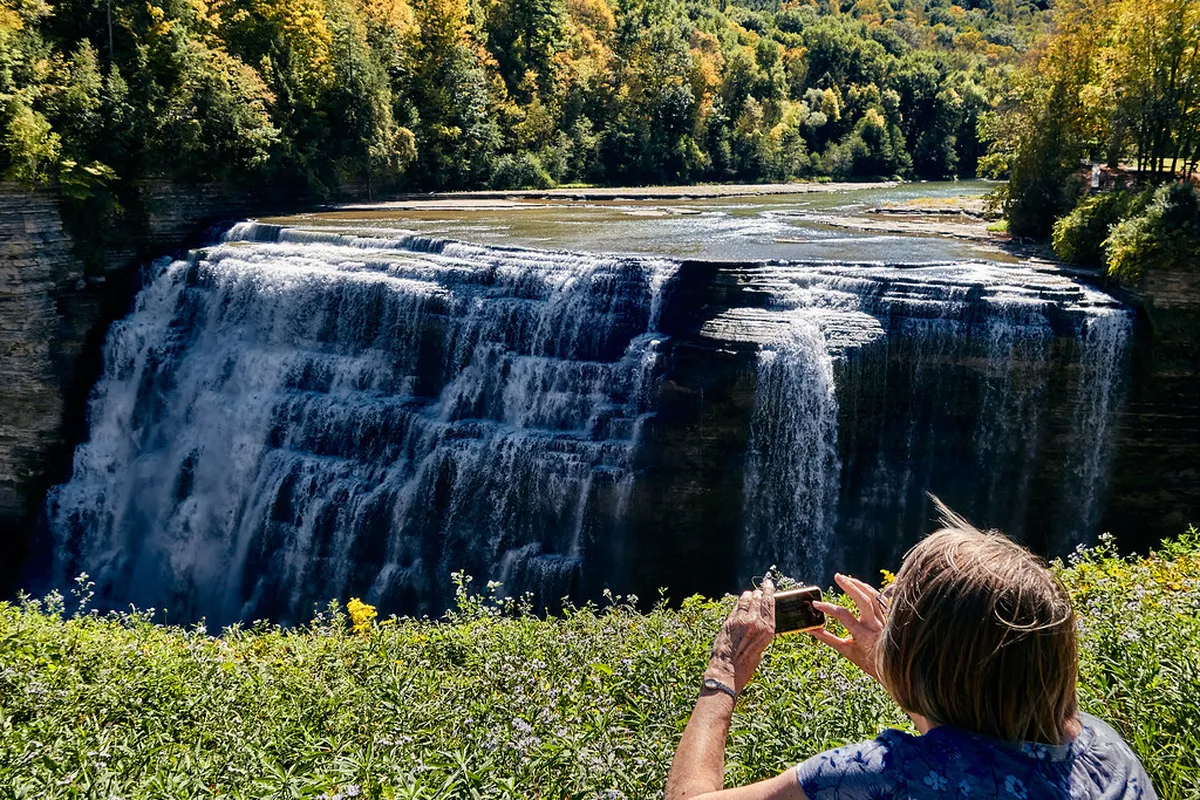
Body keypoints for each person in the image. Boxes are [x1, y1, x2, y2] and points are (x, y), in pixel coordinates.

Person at [664, 501, 1157, 799]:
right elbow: (980, 723)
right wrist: (898, 669)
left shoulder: (900, 777)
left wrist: (724, 670)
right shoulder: (1105, 750)